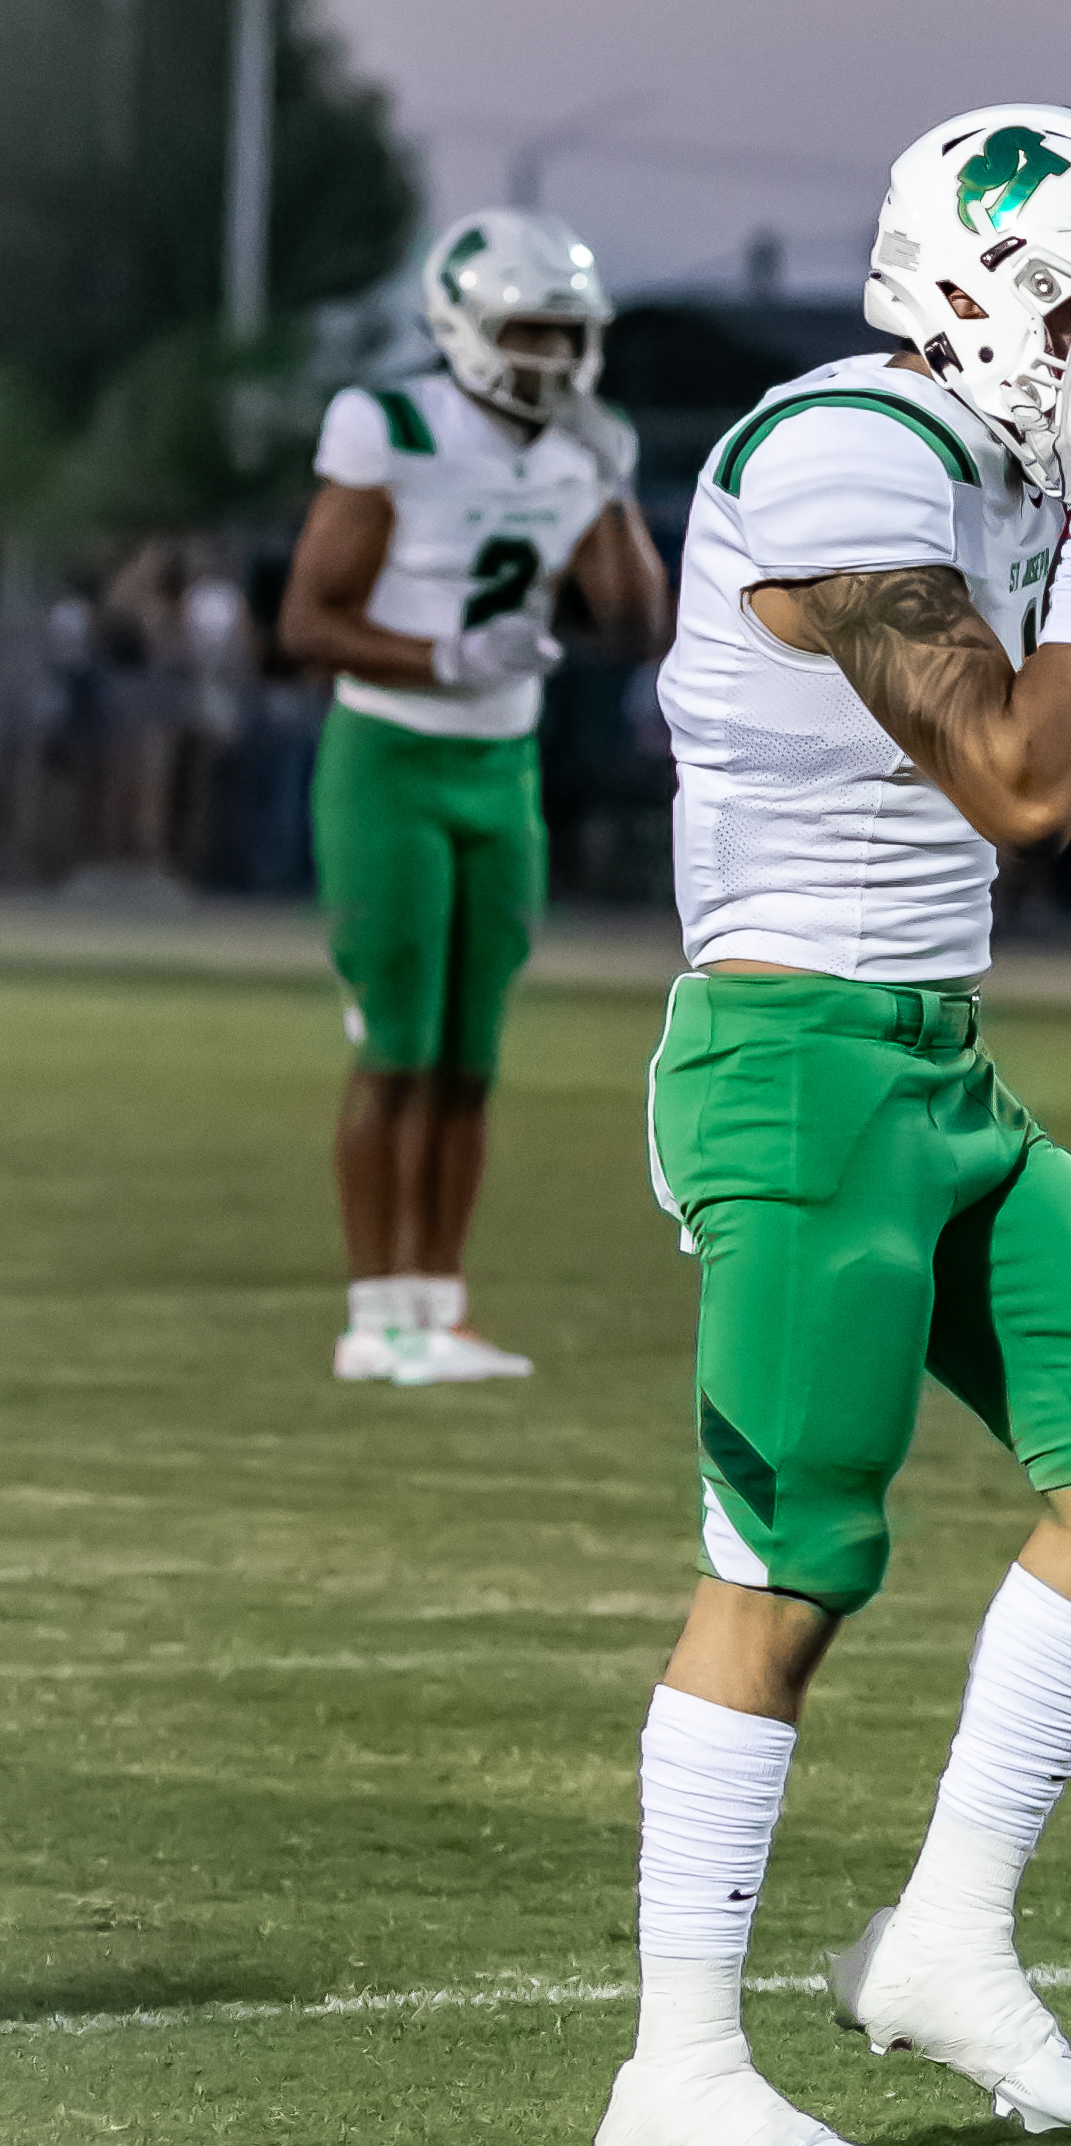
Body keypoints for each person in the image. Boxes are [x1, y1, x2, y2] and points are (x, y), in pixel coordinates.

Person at [592, 107, 1071, 2146]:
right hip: (796, 1068)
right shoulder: (842, 458)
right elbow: (1022, 789)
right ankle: (676, 2068)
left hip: (933, 1062)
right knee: (787, 1565)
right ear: (975, 293)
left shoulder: (1000, 443)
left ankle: (944, 1936)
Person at [280, 207, 668, 1386]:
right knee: (396, 1046)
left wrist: (612, 484)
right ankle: (373, 1316)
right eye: (529, 329)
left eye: (568, 331)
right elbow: (308, 623)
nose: (554, 355)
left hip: (502, 767)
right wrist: (440, 656)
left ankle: (438, 1306)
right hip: (391, 758)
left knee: (470, 1053)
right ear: (464, 327)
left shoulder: (579, 447)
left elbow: (634, 619)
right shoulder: (391, 426)